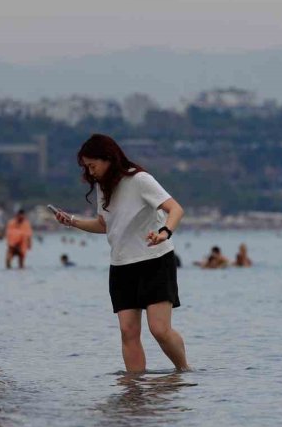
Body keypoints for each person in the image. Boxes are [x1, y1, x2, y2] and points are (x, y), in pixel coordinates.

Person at [52, 133, 191, 373]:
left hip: (155, 259)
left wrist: (164, 232)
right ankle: (134, 387)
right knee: (128, 332)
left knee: (159, 330)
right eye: (87, 168)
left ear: (108, 158)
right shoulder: (102, 187)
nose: (90, 172)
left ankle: (183, 371)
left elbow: (175, 209)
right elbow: (105, 225)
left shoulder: (140, 180)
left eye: (92, 166)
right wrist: (72, 221)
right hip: (121, 265)